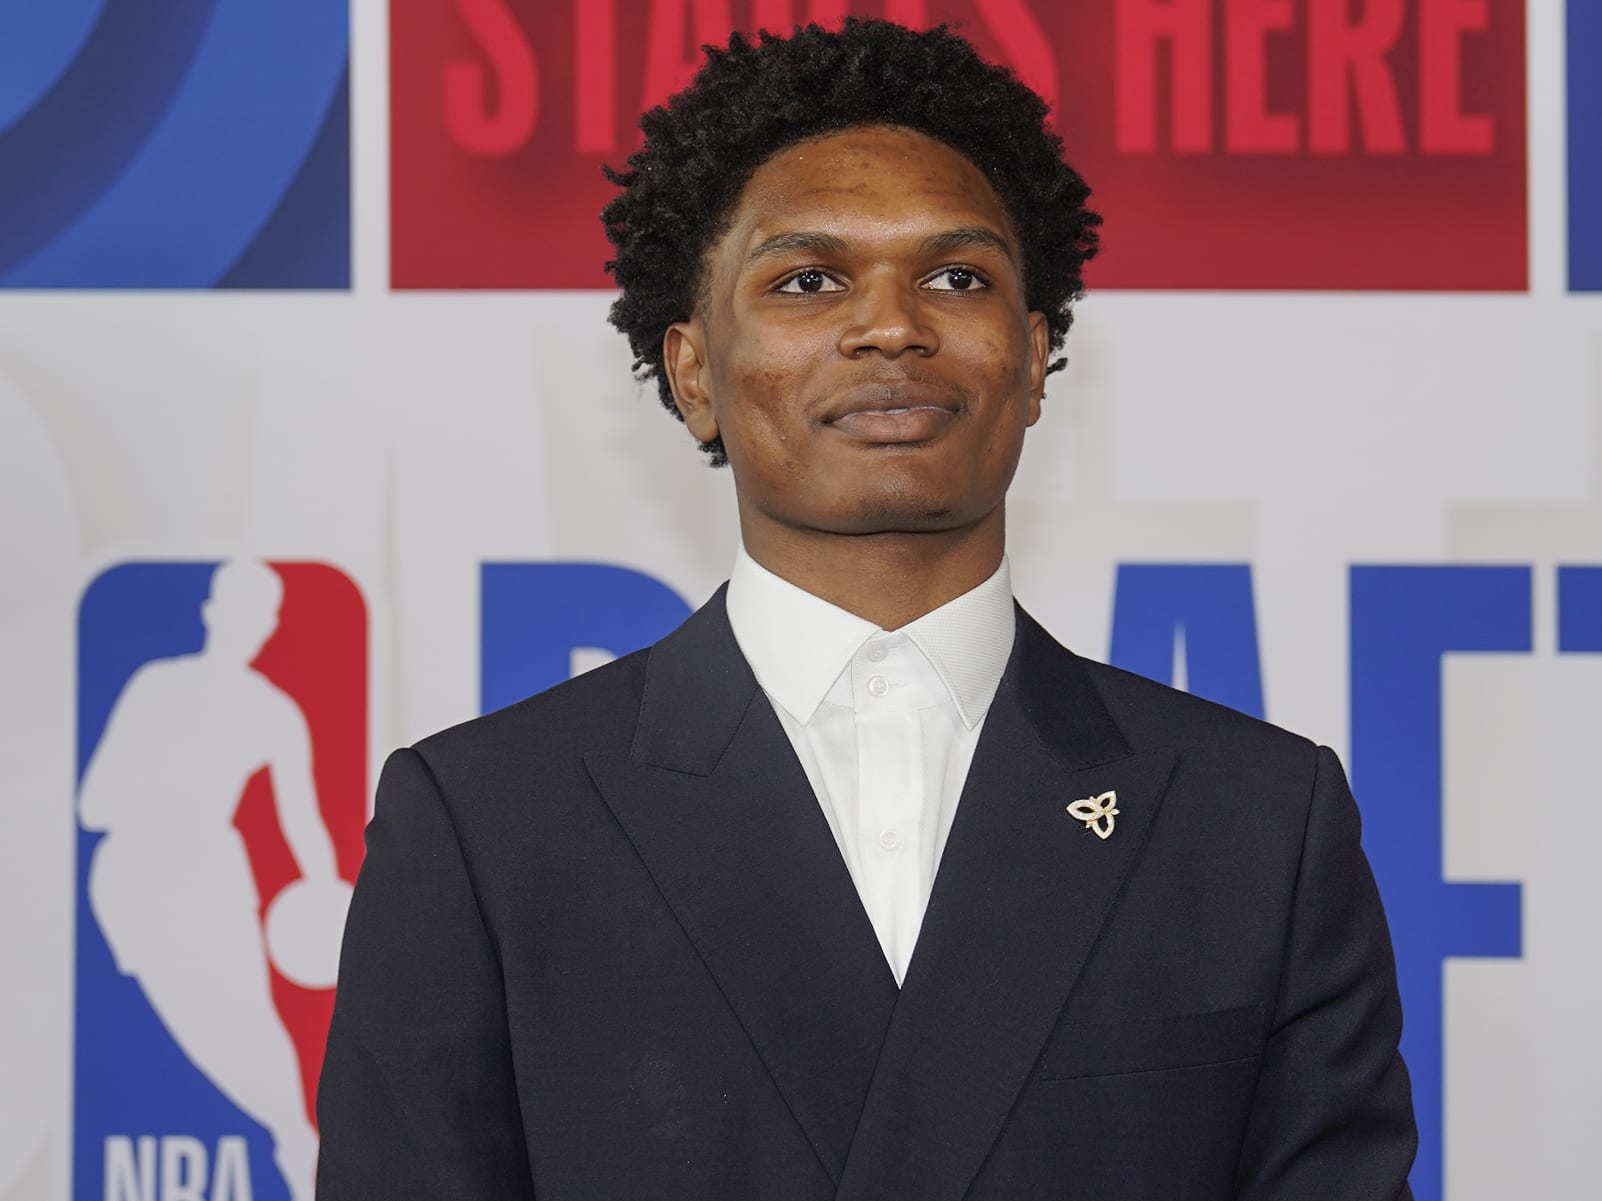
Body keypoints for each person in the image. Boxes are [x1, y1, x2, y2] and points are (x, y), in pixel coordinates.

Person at [317, 19, 1416, 1200]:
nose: (893, 324)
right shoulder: (486, 825)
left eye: (958, 276)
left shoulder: (1257, 822)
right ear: (693, 373)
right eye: (807, 279)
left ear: (1036, 358)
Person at [82, 559, 335, 1201]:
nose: (252, 627)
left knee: (246, 1023)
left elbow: (301, 823)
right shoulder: (159, 688)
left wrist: (330, 897)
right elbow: (92, 804)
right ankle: (294, 1139)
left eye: (261, 615)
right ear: (213, 612)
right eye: (245, 611)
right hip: (141, 877)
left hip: (206, 874)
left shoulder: (270, 711)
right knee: (216, 1025)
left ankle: (299, 1145)